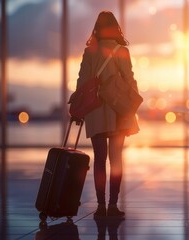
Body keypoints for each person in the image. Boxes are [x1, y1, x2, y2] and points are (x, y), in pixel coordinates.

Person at [75, 11, 139, 219]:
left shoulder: (90, 51)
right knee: (116, 160)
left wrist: (78, 106)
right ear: (115, 27)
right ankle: (113, 206)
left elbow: (83, 82)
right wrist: (133, 103)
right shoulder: (122, 50)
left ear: (97, 28)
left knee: (100, 160)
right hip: (118, 111)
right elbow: (129, 79)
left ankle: (100, 207)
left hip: (95, 111)